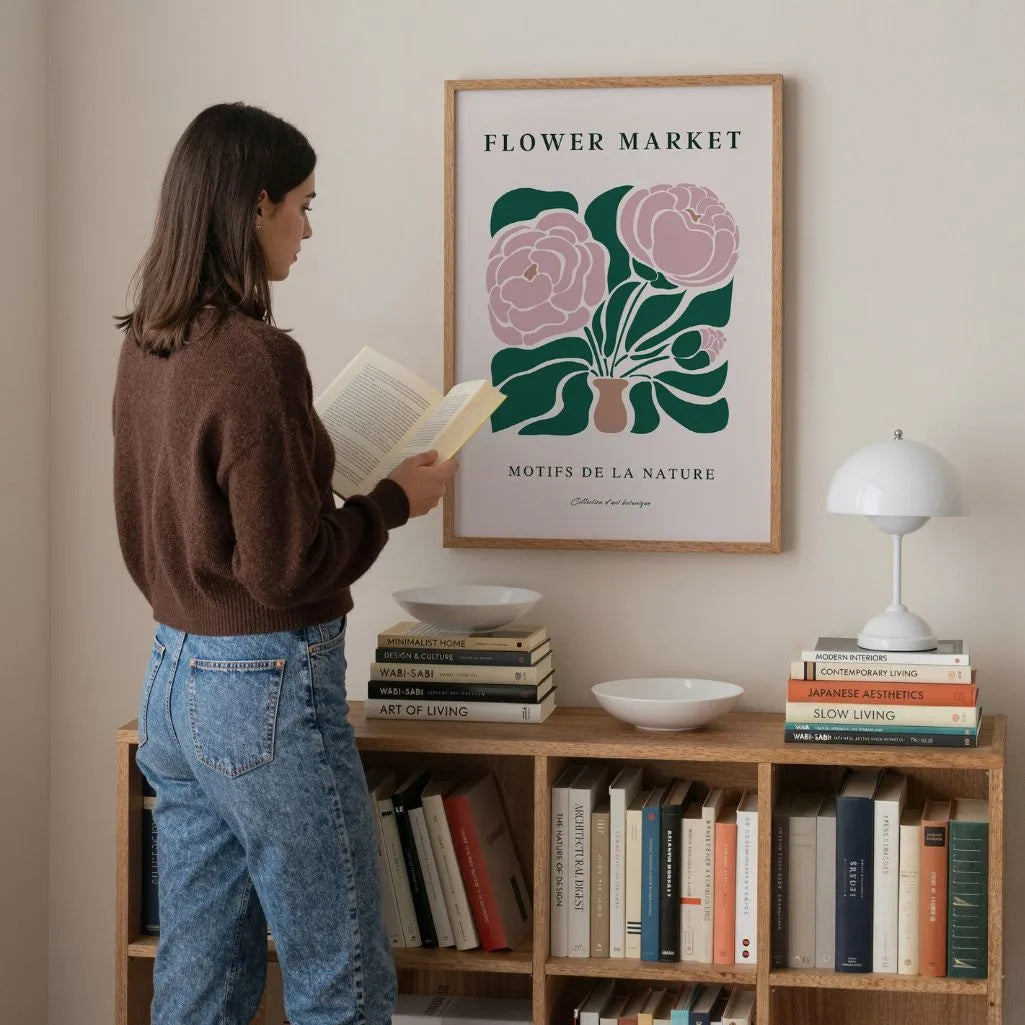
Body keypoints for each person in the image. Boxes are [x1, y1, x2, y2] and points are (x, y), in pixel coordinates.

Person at [112, 102, 456, 1025]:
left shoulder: (148, 342)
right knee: (337, 974)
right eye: (303, 204)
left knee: (200, 975)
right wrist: (391, 501)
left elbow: (171, 530)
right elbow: (283, 569)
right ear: (254, 204)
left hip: (172, 683)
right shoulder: (256, 356)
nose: (308, 228)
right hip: (262, 687)